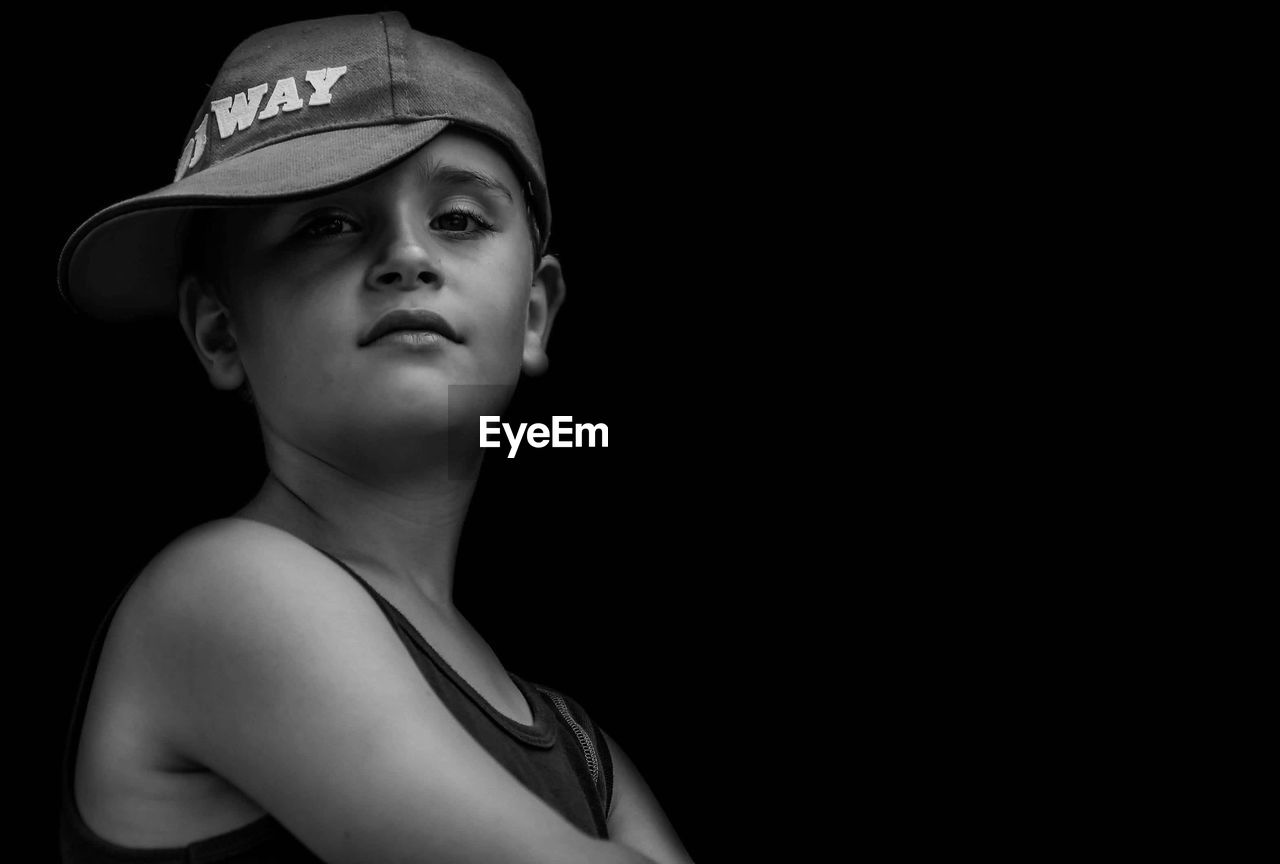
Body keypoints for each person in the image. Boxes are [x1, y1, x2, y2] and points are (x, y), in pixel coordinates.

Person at [56, 12, 694, 864]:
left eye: (460, 219)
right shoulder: (224, 592)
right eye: (325, 223)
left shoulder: (583, 750)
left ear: (534, 315)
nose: (407, 255)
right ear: (218, 332)